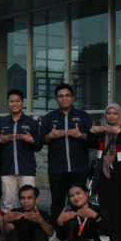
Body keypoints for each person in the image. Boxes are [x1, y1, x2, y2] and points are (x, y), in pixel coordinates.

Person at [40, 83, 93, 223]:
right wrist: (50, 136)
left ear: (73, 98)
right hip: (57, 168)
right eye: (61, 96)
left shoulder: (83, 116)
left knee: (79, 202)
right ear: (56, 99)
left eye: (67, 95)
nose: (64, 98)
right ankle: (58, 230)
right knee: (57, 202)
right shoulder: (49, 118)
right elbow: (41, 140)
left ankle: (80, 229)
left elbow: (93, 140)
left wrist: (80, 135)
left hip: (78, 167)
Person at [88, 103, 121, 241]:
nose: (111, 116)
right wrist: (91, 131)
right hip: (104, 172)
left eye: (114, 113)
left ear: (119, 115)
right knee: (106, 204)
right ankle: (108, 235)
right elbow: (88, 143)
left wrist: (119, 132)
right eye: (108, 113)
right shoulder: (100, 131)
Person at [0, 89, 42, 211]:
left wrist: (31, 140)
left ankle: (29, 223)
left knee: (29, 203)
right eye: (12, 101)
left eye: (17, 101)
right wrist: (0, 141)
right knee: (7, 203)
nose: (14, 104)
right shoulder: (2, 123)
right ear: (8, 103)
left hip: (26, 168)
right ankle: (7, 223)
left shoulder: (31, 123)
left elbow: (38, 146)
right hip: (7, 168)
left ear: (22, 103)